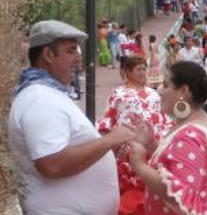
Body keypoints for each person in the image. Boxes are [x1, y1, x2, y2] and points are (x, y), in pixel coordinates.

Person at [8, 20, 136, 214]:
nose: (78, 59)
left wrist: (110, 143)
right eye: (70, 51)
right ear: (48, 55)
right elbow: (53, 164)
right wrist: (110, 140)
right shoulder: (40, 99)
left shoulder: (46, 94)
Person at [128, 61, 207, 215]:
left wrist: (140, 166)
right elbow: (176, 164)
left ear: (183, 91)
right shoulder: (194, 122)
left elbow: (179, 196)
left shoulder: (190, 136)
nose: (160, 91)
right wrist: (151, 145)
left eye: (166, 85)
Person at [96, 55, 171, 214]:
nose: (143, 72)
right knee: (129, 194)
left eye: (144, 68)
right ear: (128, 72)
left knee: (152, 191)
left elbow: (163, 119)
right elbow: (108, 119)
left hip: (152, 147)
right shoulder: (118, 93)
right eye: (138, 69)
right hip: (127, 148)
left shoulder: (154, 94)